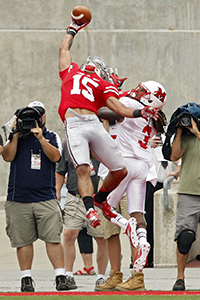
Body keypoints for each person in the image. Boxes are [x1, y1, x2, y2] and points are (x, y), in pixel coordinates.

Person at [58, 17, 159, 229]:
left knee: (120, 170)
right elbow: (64, 50)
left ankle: (100, 199)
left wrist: (142, 110)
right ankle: (90, 209)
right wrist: (73, 29)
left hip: (92, 122)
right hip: (74, 122)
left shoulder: (100, 83)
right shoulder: (72, 72)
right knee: (83, 168)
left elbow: (120, 110)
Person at [95, 80, 168, 291]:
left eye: (143, 90)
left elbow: (103, 111)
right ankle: (134, 270)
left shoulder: (127, 102)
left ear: (147, 96)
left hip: (121, 166)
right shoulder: (156, 115)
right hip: (141, 167)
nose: (138, 90)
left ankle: (127, 230)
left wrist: (111, 92)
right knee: (137, 214)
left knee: (104, 205)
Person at [3, 101, 69, 292]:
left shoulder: (51, 136)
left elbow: (56, 157)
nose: (31, 120)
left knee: (53, 238)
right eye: (27, 117)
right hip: (18, 198)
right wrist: (15, 134)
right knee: (23, 241)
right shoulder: (15, 136)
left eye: (36, 115)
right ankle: (26, 279)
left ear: (43, 117)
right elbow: (7, 156)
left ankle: (60, 276)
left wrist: (40, 138)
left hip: (45, 197)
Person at [55, 140, 108, 290]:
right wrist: (57, 192)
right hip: (75, 196)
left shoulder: (100, 140)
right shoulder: (69, 143)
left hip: (97, 197)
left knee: (101, 237)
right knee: (69, 234)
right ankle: (68, 274)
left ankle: (101, 277)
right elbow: (60, 170)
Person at [165, 103, 200, 291]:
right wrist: (179, 131)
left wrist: (196, 132)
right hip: (189, 192)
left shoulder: (196, 134)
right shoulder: (186, 136)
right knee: (185, 237)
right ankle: (180, 278)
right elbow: (174, 156)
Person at [145, 133, 181, 267]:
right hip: (147, 183)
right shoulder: (143, 135)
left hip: (165, 183)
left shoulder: (169, 136)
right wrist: (148, 145)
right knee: (146, 221)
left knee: (161, 221)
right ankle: (146, 258)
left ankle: (157, 256)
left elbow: (177, 158)